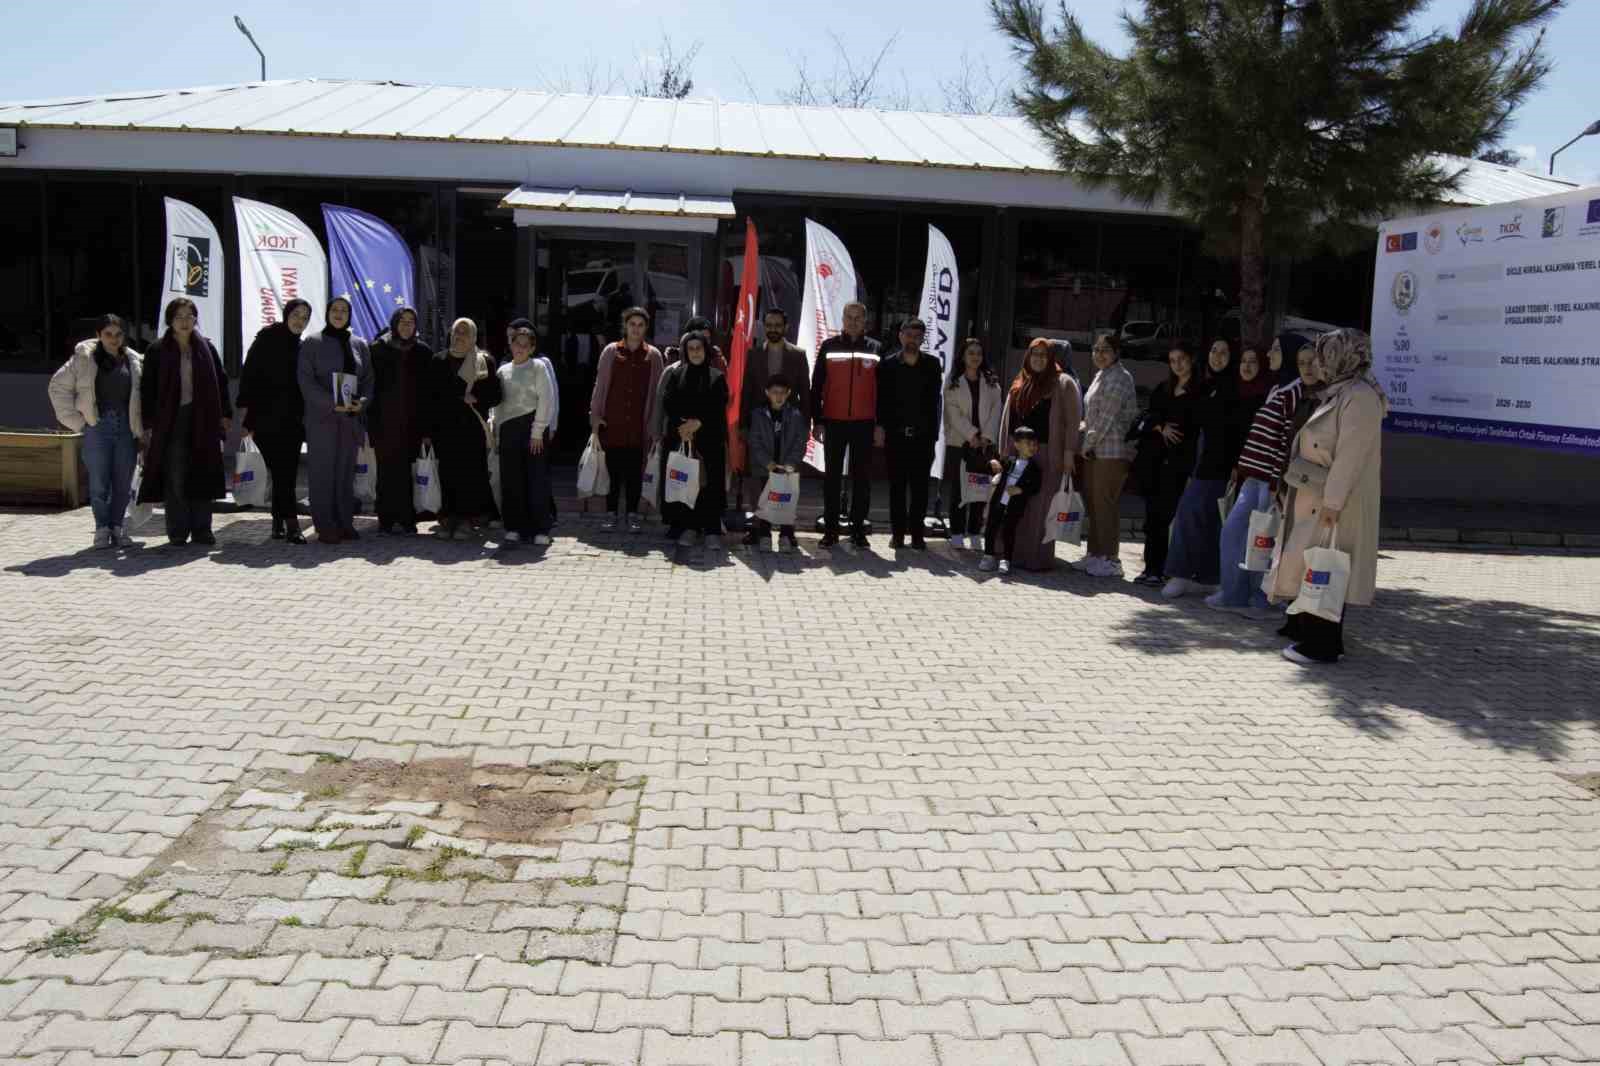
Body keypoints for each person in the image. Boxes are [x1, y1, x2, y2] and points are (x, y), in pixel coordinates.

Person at [1268, 329, 1385, 665]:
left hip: (1333, 501)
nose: (1319, 362)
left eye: (1325, 354)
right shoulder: (1342, 390)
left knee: (1325, 568)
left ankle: (1321, 645)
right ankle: (1312, 637)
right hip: (1316, 494)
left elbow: (1349, 456)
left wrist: (1333, 503)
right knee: (1313, 565)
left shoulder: (1360, 396)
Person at [1210, 339, 1321, 616]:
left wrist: (1275, 485)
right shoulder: (1280, 388)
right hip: (1254, 476)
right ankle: (1234, 593)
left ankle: (1262, 599)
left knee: (1263, 539)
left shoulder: (1299, 394)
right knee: (1236, 533)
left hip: (1273, 480)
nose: (1270, 354)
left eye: (1276, 350)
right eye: (1301, 362)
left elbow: (1284, 443)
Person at [138, 298, 232, 548]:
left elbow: (221, 383)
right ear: (170, 320)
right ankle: (178, 531)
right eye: (179, 316)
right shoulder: (157, 350)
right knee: (176, 475)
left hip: (203, 418)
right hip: (171, 421)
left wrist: (225, 415)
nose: (185, 321)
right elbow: (147, 390)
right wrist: (148, 424)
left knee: (202, 473)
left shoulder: (206, 348)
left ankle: (202, 530)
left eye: (190, 316)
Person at [48, 314, 144, 549]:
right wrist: (79, 423)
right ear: (99, 335)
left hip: (126, 428)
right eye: (108, 334)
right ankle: (102, 528)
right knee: (99, 482)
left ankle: (118, 527)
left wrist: (142, 430)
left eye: (119, 334)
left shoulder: (134, 361)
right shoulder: (84, 359)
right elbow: (57, 387)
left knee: (122, 482)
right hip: (97, 427)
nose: (114, 339)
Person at [1161, 338, 1238, 598]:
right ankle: (1193, 576)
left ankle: (1193, 575)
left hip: (1225, 467)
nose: (1218, 356)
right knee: (1194, 517)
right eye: (1214, 350)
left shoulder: (1236, 388)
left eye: (1224, 351)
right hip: (1202, 465)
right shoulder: (1206, 386)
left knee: (1201, 519)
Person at [995, 337, 1080, 571]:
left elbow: (1073, 422)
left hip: (1048, 454)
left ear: (1052, 358)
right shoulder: (1021, 381)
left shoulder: (1064, 383)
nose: (1039, 359)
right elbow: (1008, 419)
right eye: (1035, 354)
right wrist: (1005, 451)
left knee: (1040, 509)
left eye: (1044, 355)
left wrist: (1069, 453)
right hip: (1019, 452)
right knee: (1015, 505)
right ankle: (1011, 554)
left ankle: (1036, 559)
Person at [296, 297, 373, 546]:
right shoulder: (313, 342)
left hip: (350, 420)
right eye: (334, 309)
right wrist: (333, 403)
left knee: (344, 473)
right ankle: (325, 526)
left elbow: (369, 379)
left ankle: (344, 522)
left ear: (349, 315)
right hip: (323, 420)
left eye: (344, 310)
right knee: (322, 474)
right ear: (327, 313)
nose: (339, 314)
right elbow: (306, 382)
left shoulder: (359, 344)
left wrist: (363, 401)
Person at [810, 301, 883, 548]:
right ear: (842, 319)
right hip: (834, 422)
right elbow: (816, 385)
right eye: (849, 317)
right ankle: (830, 530)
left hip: (864, 424)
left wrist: (879, 425)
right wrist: (817, 420)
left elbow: (883, 392)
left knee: (861, 479)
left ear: (865, 321)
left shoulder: (875, 348)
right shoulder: (829, 347)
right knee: (831, 478)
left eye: (858, 318)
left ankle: (857, 530)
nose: (853, 322)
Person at [238, 299, 310, 543]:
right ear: (286, 314)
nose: (299, 320)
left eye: (304, 317)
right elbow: (250, 375)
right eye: (296, 314)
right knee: (279, 471)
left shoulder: (302, 347)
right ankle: (285, 522)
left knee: (285, 473)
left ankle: (284, 522)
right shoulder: (266, 339)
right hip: (266, 419)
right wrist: (247, 420)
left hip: (293, 421)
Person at [424, 318, 502, 539]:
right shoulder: (438, 360)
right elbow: (429, 397)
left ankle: (467, 521)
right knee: (447, 473)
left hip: (471, 429)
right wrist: (428, 432)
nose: (459, 336)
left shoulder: (483, 361)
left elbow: (496, 395)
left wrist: (475, 398)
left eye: (465, 333)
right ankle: (448, 518)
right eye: (456, 332)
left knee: (470, 474)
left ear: (474, 337)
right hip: (445, 428)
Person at [1131, 342, 1200, 586]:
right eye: (1172, 360)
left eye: (1181, 358)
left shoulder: (1200, 391)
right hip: (1155, 462)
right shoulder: (1164, 387)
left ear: (1191, 359)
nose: (1177, 364)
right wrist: (1161, 426)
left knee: (1167, 516)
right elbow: (1149, 415)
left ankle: (1165, 569)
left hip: (1180, 464)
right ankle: (1151, 568)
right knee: (1152, 518)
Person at [590, 306, 664, 532]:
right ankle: (611, 514)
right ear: (625, 326)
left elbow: (658, 393)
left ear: (646, 328)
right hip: (612, 422)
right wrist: (595, 416)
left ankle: (632, 514)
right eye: (632, 324)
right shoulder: (612, 351)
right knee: (612, 471)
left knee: (634, 473)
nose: (636, 329)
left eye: (640, 325)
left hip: (639, 425)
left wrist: (656, 425)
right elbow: (600, 385)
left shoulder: (653, 355)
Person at [1075, 331, 1141, 578]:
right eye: (1096, 349)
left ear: (1117, 353)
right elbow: (1092, 415)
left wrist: (1087, 444)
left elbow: (1106, 418)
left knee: (1106, 504)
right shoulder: (1102, 375)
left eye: (1105, 350)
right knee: (1093, 503)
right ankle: (1095, 554)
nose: (1099, 354)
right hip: (1095, 450)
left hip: (1111, 451)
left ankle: (1111, 559)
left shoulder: (1120, 377)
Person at [875, 318, 943, 550]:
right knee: (897, 487)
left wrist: (933, 436)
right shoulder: (887, 365)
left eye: (917, 336)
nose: (912, 340)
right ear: (900, 336)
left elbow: (935, 403)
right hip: (896, 437)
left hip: (923, 438)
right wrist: (880, 427)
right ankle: (897, 534)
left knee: (920, 488)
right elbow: (882, 401)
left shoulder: (932, 365)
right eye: (909, 335)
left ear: (922, 339)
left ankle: (917, 535)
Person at [658, 331, 729, 549]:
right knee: (686, 484)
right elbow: (669, 402)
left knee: (710, 485)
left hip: (709, 441)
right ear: (685, 352)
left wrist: (698, 423)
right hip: (682, 438)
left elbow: (718, 406)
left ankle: (711, 531)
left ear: (706, 350)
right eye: (691, 348)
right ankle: (689, 527)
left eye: (699, 348)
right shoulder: (676, 374)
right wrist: (683, 425)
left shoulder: (716, 377)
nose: (695, 352)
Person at [738, 308, 811, 511]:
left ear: (786, 327)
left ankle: (787, 527)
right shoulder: (754, 354)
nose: (773, 329)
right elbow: (747, 391)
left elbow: (805, 392)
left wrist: (806, 424)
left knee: (788, 474)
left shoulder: (798, 355)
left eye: (778, 325)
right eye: (769, 325)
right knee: (759, 475)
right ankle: (759, 525)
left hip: (789, 424)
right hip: (760, 423)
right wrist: (744, 424)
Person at [493, 324, 558, 547]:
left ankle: (540, 528)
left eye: (525, 345)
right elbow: (498, 406)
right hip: (508, 429)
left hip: (533, 429)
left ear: (531, 348)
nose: (519, 348)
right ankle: (514, 526)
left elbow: (546, 399)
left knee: (536, 479)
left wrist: (538, 431)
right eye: (516, 344)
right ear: (510, 345)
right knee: (511, 479)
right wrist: (496, 432)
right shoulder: (502, 370)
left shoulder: (538, 367)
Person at [367, 306, 429, 536]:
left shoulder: (422, 352)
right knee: (385, 472)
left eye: (411, 321)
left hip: (410, 424)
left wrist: (426, 428)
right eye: (402, 321)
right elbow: (370, 387)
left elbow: (427, 393)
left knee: (405, 472)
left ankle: (406, 518)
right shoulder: (378, 349)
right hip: (383, 423)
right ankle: (385, 519)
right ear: (394, 323)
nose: (406, 325)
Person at [940, 338, 1003, 551]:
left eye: (979, 353)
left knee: (980, 488)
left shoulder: (991, 381)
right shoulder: (953, 380)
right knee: (959, 490)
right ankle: (957, 532)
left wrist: (985, 437)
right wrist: (972, 434)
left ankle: (975, 532)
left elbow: (997, 410)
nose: (975, 357)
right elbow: (952, 413)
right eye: (971, 353)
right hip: (961, 442)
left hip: (984, 445)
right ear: (963, 356)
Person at [744, 373, 809, 553]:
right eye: (774, 392)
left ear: (788, 393)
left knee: (787, 502)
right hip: (766, 468)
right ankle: (765, 535)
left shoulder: (795, 415)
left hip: (788, 468)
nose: (778, 396)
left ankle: (786, 535)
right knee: (765, 501)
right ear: (767, 393)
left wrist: (791, 463)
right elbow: (754, 441)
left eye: (782, 392)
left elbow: (800, 441)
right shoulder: (758, 414)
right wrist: (767, 462)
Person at [978, 426, 1044, 575]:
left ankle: (1006, 559)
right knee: (991, 527)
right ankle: (988, 556)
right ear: (1017, 445)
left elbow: (1035, 487)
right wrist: (992, 463)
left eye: (1035, 444)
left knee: (1009, 531)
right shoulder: (1008, 461)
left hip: (1015, 505)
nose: (1033, 447)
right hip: (999, 501)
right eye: (1028, 444)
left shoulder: (1034, 468)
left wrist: (1021, 490)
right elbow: (994, 468)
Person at [663, 315, 727, 370]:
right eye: (701, 338)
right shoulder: (674, 358)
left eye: (708, 338)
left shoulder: (716, 360)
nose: (705, 342)